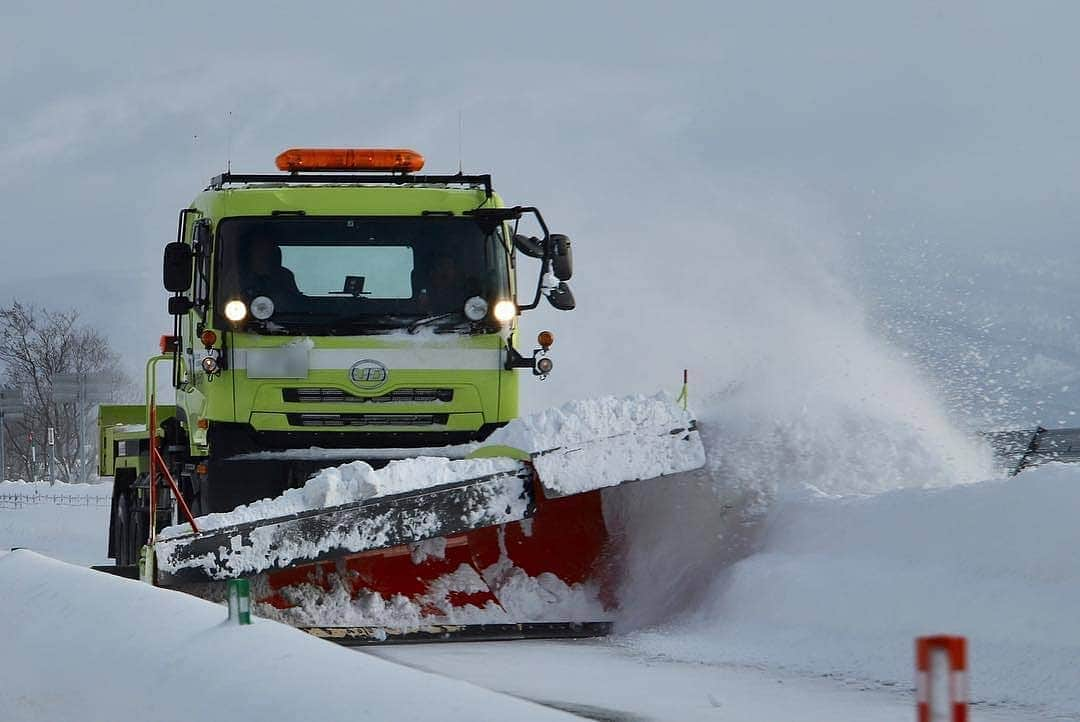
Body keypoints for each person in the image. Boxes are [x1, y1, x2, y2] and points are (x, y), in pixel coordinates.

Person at [239, 236, 302, 301]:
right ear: (250, 253)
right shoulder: (239, 277)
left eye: (268, 250)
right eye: (259, 249)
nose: (263, 254)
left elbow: (295, 301)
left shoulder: (285, 275)